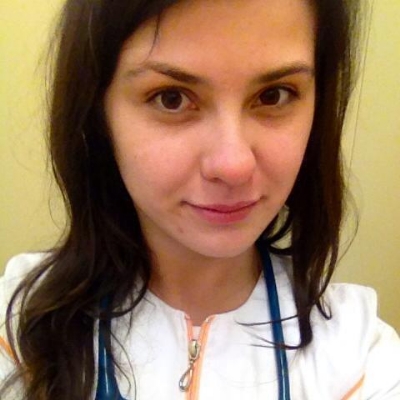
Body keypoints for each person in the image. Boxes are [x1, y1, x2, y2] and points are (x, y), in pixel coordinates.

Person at [1, 0, 399, 398]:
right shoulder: (17, 330)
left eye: (274, 95)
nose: (233, 165)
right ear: (97, 114)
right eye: (171, 98)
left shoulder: (358, 359)